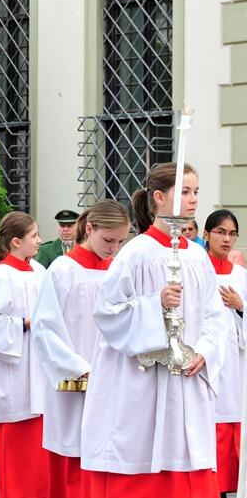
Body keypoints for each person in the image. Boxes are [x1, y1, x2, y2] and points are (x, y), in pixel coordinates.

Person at [81, 162, 224, 495]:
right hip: (142, 383)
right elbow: (108, 313)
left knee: (186, 457)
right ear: (159, 197)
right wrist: (154, 304)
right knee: (144, 460)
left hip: (187, 378)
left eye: (196, 192)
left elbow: (215, 315)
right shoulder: (136, 253)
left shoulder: (198, 256)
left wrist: (205, 351)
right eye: (184, 192)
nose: (193, 200)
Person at [31, 200, 129, 498]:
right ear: (89, 229)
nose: (114, 249)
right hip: (76, 380)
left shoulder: (118, 271)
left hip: (111, 380)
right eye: (108, 240)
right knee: (72, 458)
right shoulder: (63, 270)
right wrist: (79, 369)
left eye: (120, 242)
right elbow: (45, 327)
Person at [0, 211, 49, 497]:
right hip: (15, 378)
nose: (40, 241)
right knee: (18, 465)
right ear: (16, 242)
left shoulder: (40, 272)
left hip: (41, 372)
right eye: (34, 236)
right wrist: (24, 323)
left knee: (42, 467)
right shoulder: (0, 276)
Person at [203, 209, 246, 496]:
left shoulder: (241, 275)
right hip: (205, 365)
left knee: (232, 427)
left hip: (234, 368)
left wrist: (241, 307)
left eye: (232, 234)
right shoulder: (197, 270)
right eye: (220, 232)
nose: (226, 239)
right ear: (206, 235)